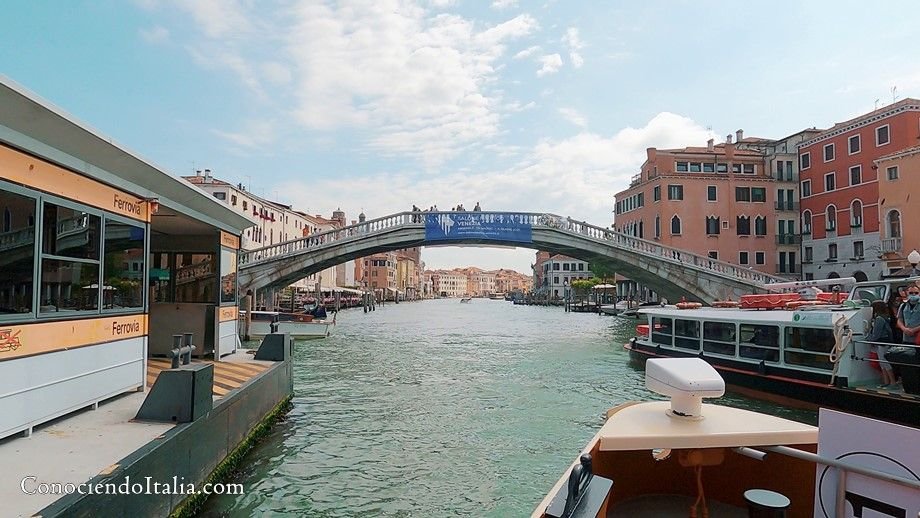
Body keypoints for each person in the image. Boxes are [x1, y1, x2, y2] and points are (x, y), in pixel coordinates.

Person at [868, 300, 896, 387]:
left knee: (884, 362)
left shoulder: (879, 319)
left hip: (882, 343)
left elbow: (876, 333)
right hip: (885, 342)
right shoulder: (885, 318)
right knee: (882, 362)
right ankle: (886, 381)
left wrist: (870, 340)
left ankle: (892, 382)